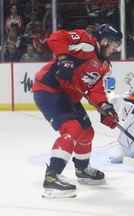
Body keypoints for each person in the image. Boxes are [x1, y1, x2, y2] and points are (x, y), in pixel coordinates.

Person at [32, 24, 122, 198]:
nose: (116, 49)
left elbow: (94, 88)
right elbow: (56, 37)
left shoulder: (104, 66)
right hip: (49, 90)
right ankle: (52, 177)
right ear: (104, 41)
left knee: (87, 132)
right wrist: (64, 57)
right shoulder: (85, 42)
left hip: (69, 97)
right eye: (114, 45)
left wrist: (104, 106)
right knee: (72, 129)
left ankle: (82, 170)